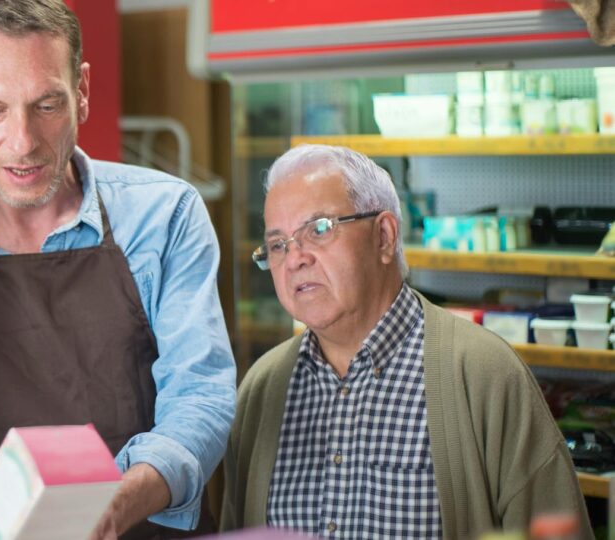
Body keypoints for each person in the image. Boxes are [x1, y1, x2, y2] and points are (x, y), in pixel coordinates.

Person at [0, 0, 236, 536]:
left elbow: (200, 395)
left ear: (82, 91)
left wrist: (117, 503)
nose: (23, 142)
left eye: (47, 105)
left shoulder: (165, 214)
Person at [219, 144, 591, 539]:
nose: (295, 259)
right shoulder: (261, 390)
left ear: (383, 236)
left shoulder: (484, 374)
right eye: (278, 244)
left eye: (319, 229)